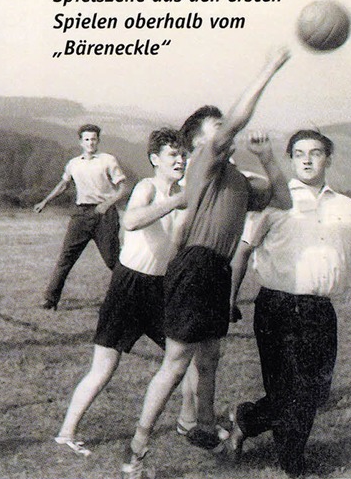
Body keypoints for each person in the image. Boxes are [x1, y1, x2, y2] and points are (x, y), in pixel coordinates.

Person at [121, 48, 292, 479]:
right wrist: (268, 68)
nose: (226, 131)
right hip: (196, 266)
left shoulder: (237, 179)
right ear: (200, 141)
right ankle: (137, 451)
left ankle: (198, 426)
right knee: (177, 363)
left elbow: (284, 199)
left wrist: (270, 159)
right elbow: (235, 121)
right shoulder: (204, 164)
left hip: (216, 270)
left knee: (211, 358)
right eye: (217, 127)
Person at [224, 129, 351, 477]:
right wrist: (229, 300)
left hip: (320, 312)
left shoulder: (346, 207)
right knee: (289, 391)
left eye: (315, 152)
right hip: (277, 307)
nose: (306, 159)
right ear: (290, 158)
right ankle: (292, 465)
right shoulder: (276, 200)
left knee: (313, 393)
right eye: (299, 152)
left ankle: (246, 420)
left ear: (327, 159)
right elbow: (242, 252)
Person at [55, 127, 202, 456]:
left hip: (159, 290)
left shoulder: (185, 195)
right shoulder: (147, 188)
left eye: (183, 155)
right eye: (172, 155)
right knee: (105, 367)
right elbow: (131, 222)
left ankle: (189, 422)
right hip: (128, 285)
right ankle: (66, 432)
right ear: (155, 160)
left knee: (185, 357)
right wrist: (178, 200)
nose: (180, 160)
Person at [34, 124, 129, 310]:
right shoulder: (73, 163)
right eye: (86, 139)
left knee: (112, 260)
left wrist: (107, 204)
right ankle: (50, 300)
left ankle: (132, 297)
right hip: (81, 215)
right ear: (80, 142)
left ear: (98, 141)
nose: (90, 143)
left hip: (105, 215)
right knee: (66, 257)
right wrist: (45, 201)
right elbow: (63, 185)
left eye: (93, 139)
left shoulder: (108, 160)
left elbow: (124, 188)